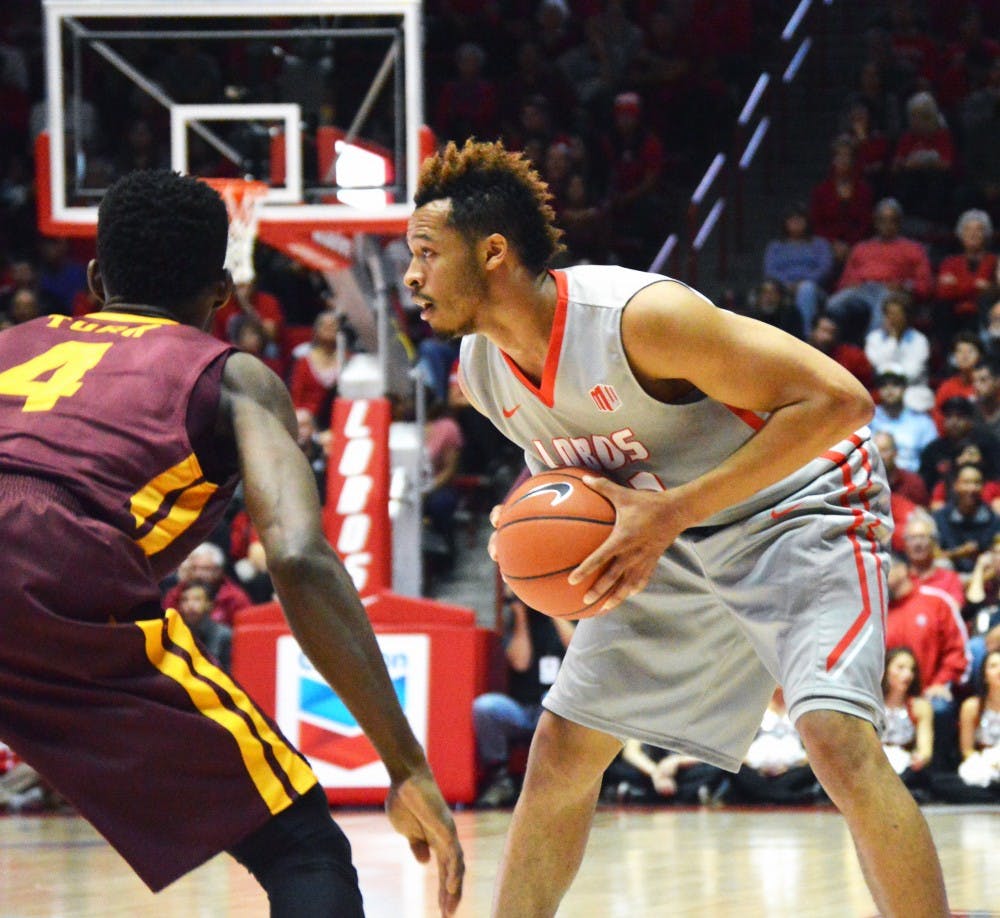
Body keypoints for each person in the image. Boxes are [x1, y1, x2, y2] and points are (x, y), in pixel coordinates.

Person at [404, 139, 948, 917]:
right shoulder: (482, 371)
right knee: (561, 748)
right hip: (668, 532)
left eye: (426, 252)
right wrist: (529, 516)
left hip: (797, 504)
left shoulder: (639, 319)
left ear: (492, 252)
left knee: (833, 735)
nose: (412, 276)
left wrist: (674, 512)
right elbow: (584, 475)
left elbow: (840, 402)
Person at [0, 171, 463, 916]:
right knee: (299, 844)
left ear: (95, 281)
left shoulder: (12, 343)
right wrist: (405, 763)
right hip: (57, 573)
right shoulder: (234, 377)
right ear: (221, 290)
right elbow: (298, 557)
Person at [472, 591, 574, 808]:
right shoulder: (516, 623)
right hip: (522, 710)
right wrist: (520, 612)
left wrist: (551, 608)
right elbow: (520, 662)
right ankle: (500, 777)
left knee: (552, 699)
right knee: (485, 707)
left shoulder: (568, 614)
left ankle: (551, 781)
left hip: (556, 708)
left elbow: (575, 648)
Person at [825, 197, 933, 345]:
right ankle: (830, 347)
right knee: (832, 304)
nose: (887, 225)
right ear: (875, 222)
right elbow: (844, 282)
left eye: (892, 220)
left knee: (884, 302)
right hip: (862, 291)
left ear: (899, 222)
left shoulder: (913, 249)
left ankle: (871, 349)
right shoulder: (861, 248)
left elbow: (925, 285)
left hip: (891, 291)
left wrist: (905, 286)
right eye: (882, 220)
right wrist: (850, 285)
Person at [761, 204, 834, 332]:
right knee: (767, 289)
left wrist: (802, 283)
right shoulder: (775, 246)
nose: (795, 223)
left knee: (806, 289)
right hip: (781, 288)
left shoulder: (820, 244)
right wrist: (786, 284)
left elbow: (824, 268)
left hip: (814, 288)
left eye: (799, 219)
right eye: (791, 219)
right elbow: (770, 270)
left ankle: (805, 336)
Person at [880, 647, 934, 799]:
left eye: (911, 669)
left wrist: (920, 758)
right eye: (901, 668)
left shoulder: (920, 706)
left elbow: (925, 749)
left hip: (904, 763)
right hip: (875, 762)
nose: (907, 674)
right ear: (885, 669)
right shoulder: (871, 703)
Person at [161, 541, 252, 627]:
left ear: (218, 571)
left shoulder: (235, 598)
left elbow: (246, 629)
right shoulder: (175, 595)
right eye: (194, 568)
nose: (198, 574)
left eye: (205, 569)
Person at [868, 365, 938, 474]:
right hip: (875, 477)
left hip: (912, 478)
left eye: (895, 384)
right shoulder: (868, 419)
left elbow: (932, 458)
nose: (889, 389)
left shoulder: (922, 422)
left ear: (905, 387)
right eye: (884, 385)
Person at [176, 581, 233, 671]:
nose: (190, 605)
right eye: (185, 600)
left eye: (197, 599)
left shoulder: (224, 635)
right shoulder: (176, 634)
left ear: (209, 604)